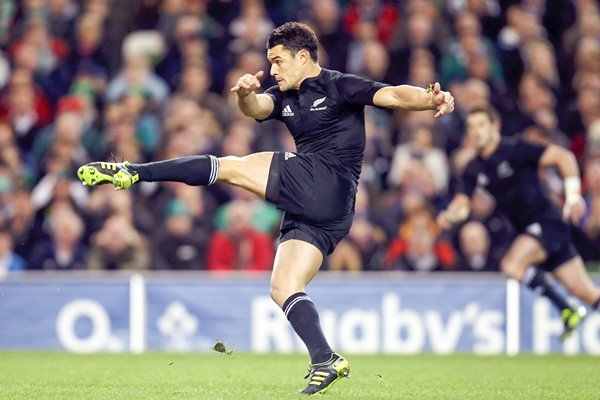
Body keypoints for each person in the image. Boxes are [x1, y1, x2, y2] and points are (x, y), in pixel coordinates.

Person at [77, 22, 454, 395]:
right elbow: (256, 107)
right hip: (329, 212)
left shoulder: (339, 85)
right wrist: (244, 93)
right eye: (269, 62)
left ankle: (133, 172)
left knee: (227, 167)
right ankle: (325, 359)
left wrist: (431, 98)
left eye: (278, 61)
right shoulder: (284, 95)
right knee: (283, 287)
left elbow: (393, 96)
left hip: (325, 181)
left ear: (303, 56)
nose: (273, 69)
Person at [438, 105, 600, 340]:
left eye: (481, 125)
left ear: (495, 127)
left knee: (512, 266)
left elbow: (562, 156)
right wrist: (451, 216)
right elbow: (462, 204)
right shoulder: (474, 169)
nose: (476, 132)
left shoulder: (515, 149)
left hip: (548, 221)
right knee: (588, 293)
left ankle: (567, 308)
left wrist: (573, 195)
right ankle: (569, 307)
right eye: (471, 127)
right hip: (533, 232)